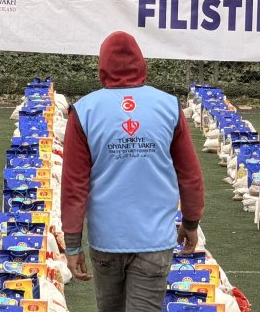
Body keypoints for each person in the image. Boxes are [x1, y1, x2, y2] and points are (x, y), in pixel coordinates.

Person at [61, 31, 205, 312]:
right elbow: (190, 174)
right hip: (154, 239)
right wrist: (190, 222)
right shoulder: (168, 105)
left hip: (106, 239)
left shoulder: (84, 110)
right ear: (142, 63)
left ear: (102, 66)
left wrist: (73, 243)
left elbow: (74, 184)